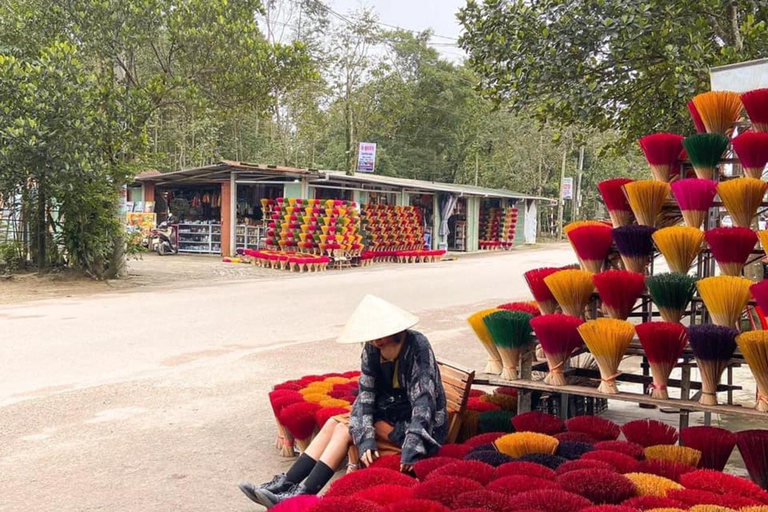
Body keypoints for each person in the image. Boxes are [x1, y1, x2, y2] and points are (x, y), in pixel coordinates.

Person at [239, 295, 448, 509]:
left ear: (395, 331)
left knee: (343, 430)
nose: (376, 342)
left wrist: (412, 448)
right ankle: (287, 484)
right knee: (333, 423)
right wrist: (366, 438)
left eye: (380, 337)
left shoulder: (417, 346)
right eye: (372, 337)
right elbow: (366, 394)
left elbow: (425, 404)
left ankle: (300, 496)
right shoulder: (371, 348)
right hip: (387, 414)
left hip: (417, 429)